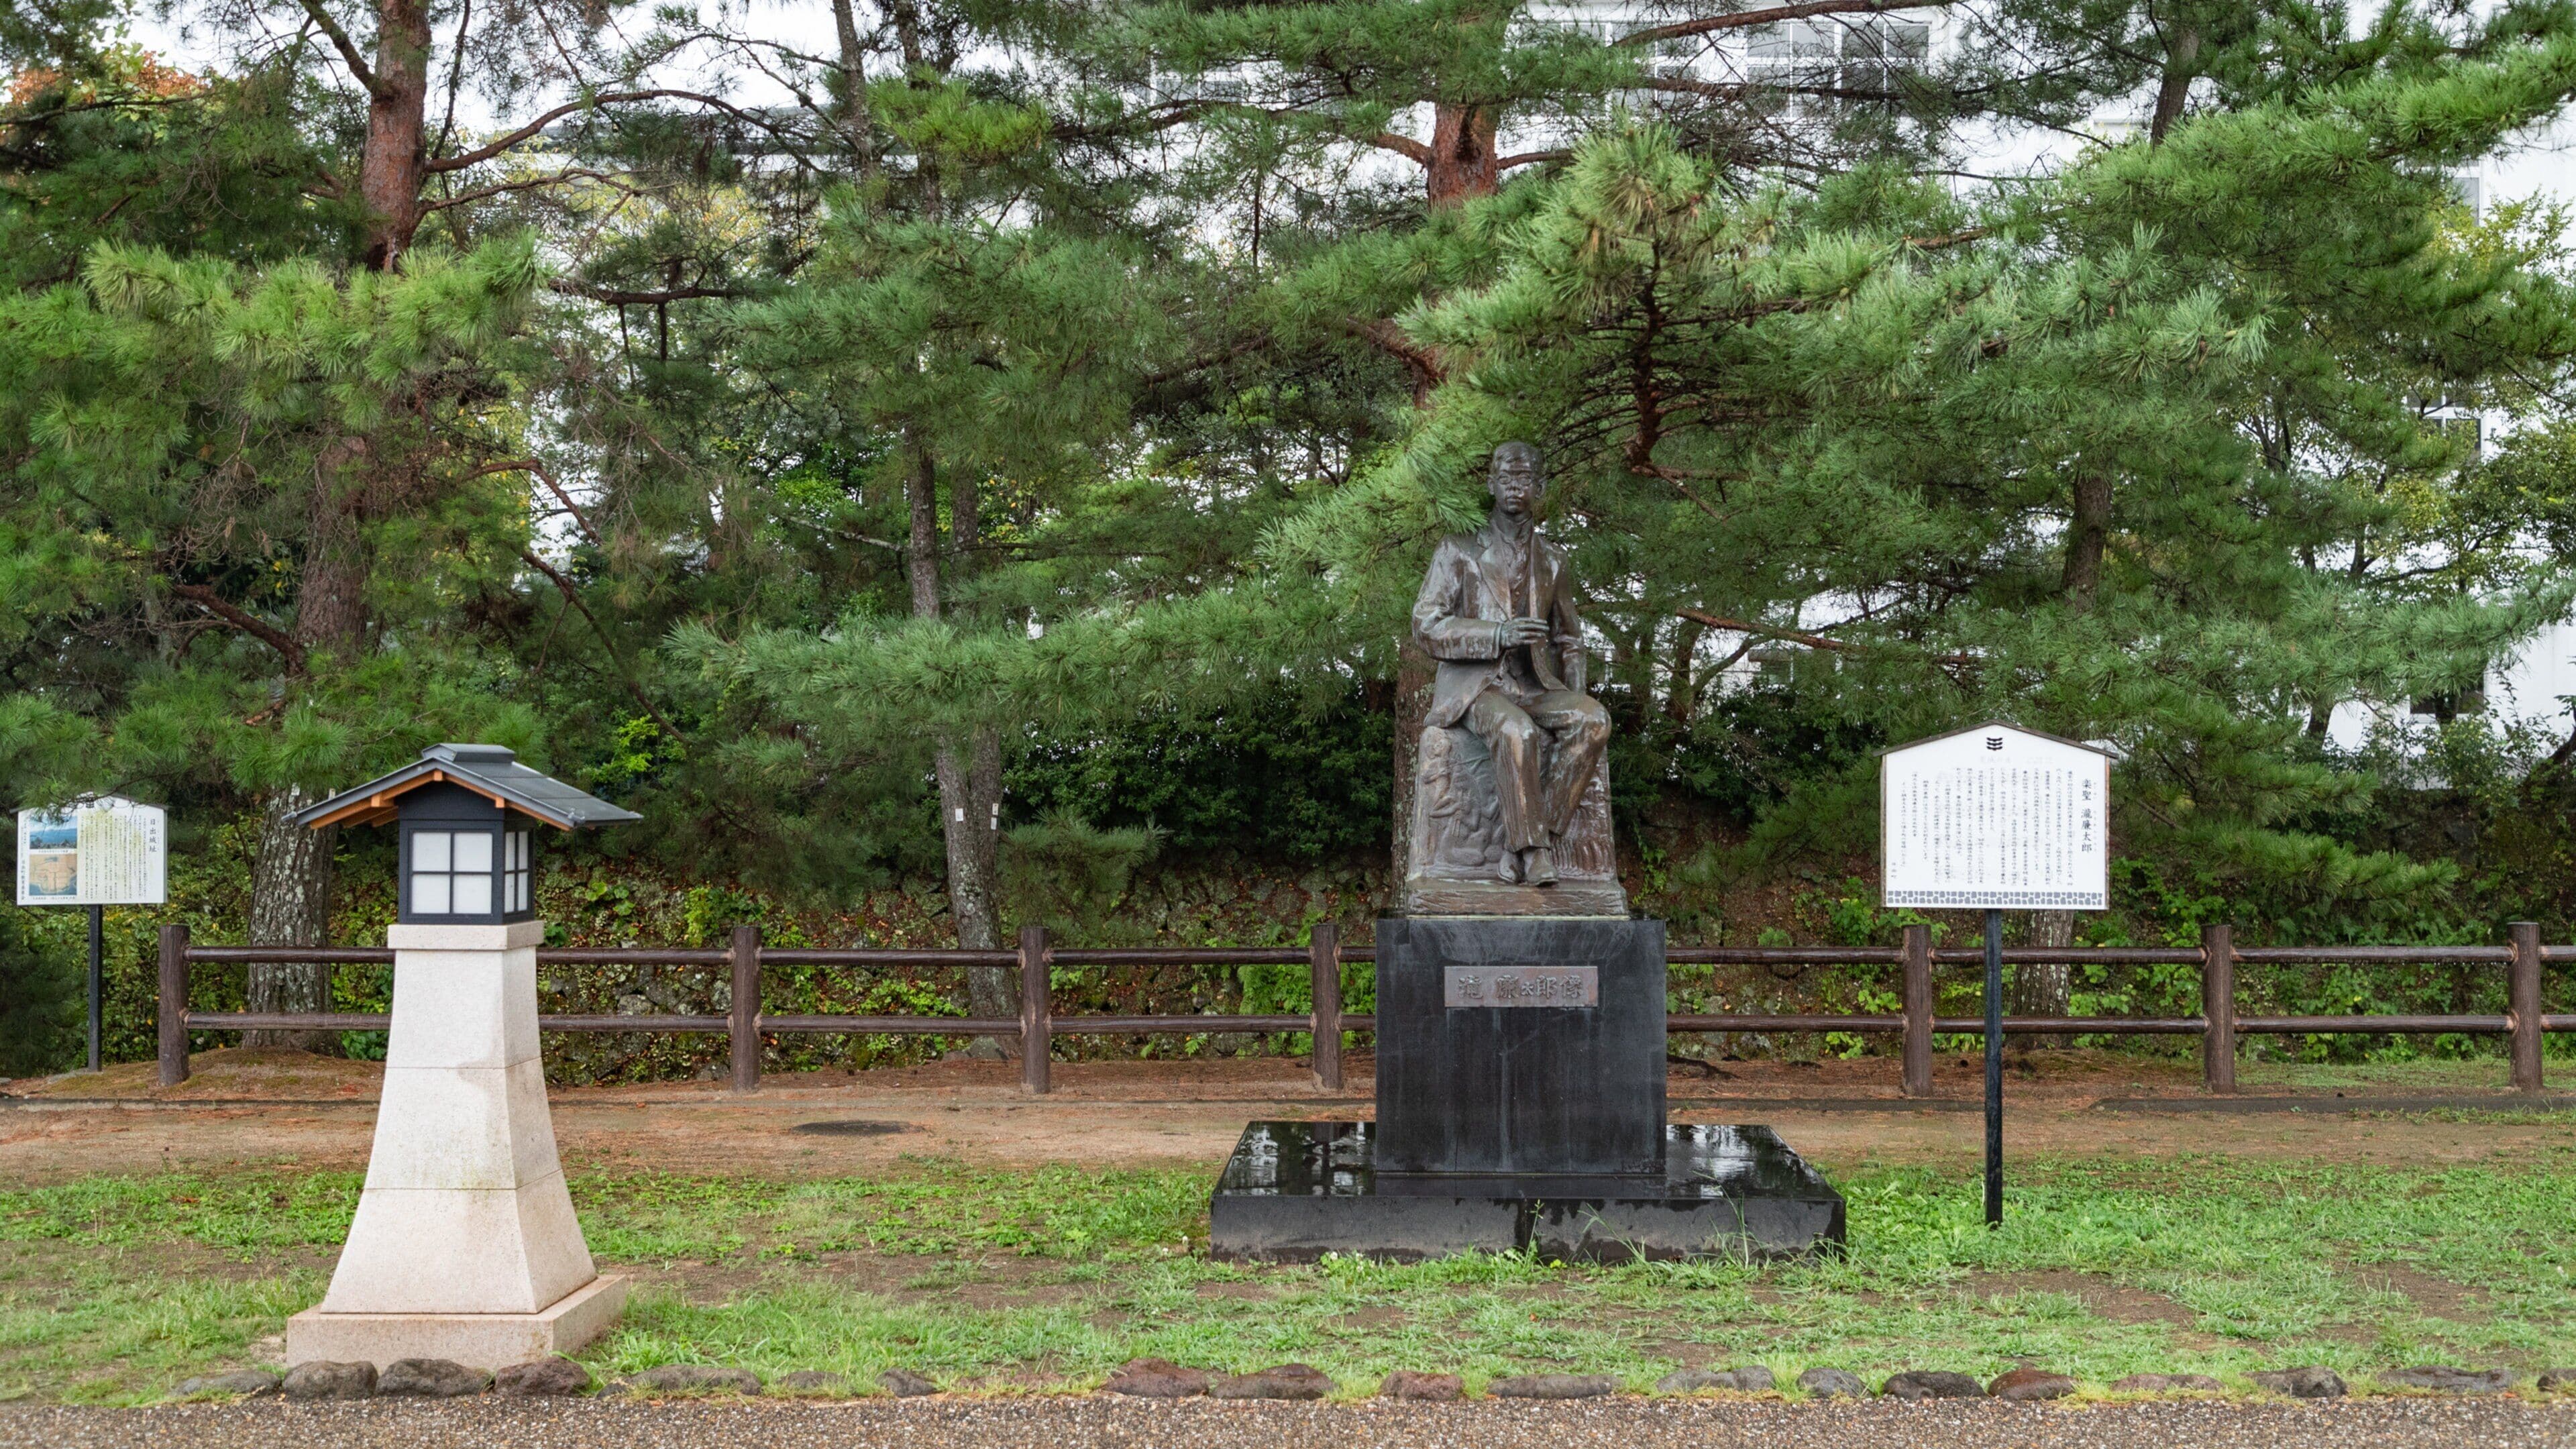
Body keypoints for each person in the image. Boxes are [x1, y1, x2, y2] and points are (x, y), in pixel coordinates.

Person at [1409, 442, 1611, 886]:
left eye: (1524, 479)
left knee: (1593, 720)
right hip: (1479, 687)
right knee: (1515, 729)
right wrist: (1496, 635)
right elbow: (1426, 624)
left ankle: (1531, 836)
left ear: (1539, 487)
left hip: (1535, 684)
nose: (1515, 488)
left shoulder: (1554, 560)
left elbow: (1569, 638)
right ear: (1491, 484)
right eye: (1506, 478)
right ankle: (1535, 853)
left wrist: (1575, 689)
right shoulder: (1458, 549)